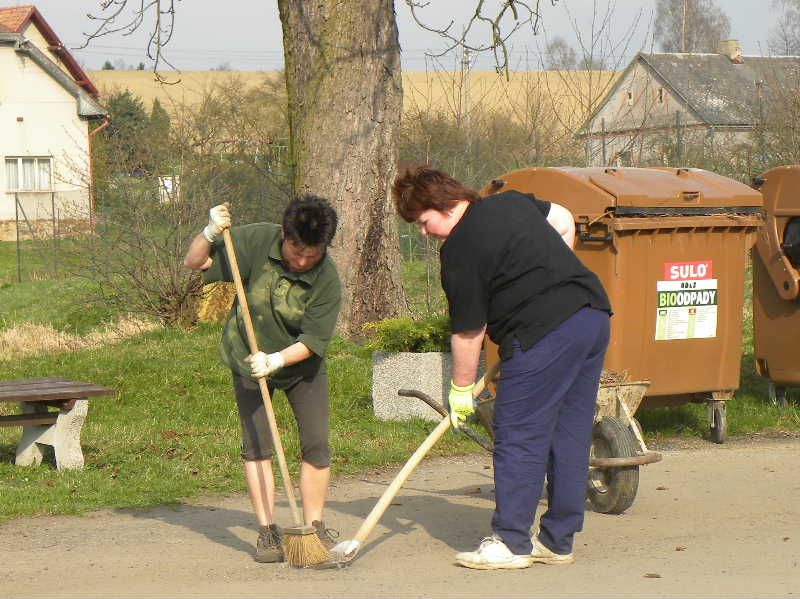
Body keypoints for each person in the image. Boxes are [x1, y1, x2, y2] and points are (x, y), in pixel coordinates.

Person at [392, 166, 612, 570]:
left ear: (439, 205)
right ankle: (558, 541)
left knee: (518, 433)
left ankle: (511, 542)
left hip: (542, 332)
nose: (424, 232)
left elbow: (469, 332)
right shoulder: (510, 202)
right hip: (591, 315)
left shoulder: (459, 250)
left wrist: (460, 390)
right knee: (570, 431)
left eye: (422, 222)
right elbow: (563, 219)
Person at [183, 196, 341, 564]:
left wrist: (277, 360)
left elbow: (315, 340)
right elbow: (195, 262)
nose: (302, 261)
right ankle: (268, 531)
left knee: (317, 445)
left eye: (312, 255)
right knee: (257, 445)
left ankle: (314, 526)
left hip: (301, 365)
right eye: (296, 250)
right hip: (248, 356)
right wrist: (208, 233)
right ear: (284, 234)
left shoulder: (327, 278)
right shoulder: (255, 241)